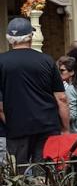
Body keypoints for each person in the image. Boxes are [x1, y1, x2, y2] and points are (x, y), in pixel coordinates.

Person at [0, 18, 69, 163]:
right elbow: (61, 98)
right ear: (30, 37)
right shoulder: (47, 61)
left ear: (10, 39)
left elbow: (0, 106)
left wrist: (12, 123)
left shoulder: (2, 62)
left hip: (16, 129)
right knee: (45, 175)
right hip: (47, 126)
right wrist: (65, 127)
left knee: (18, 177)